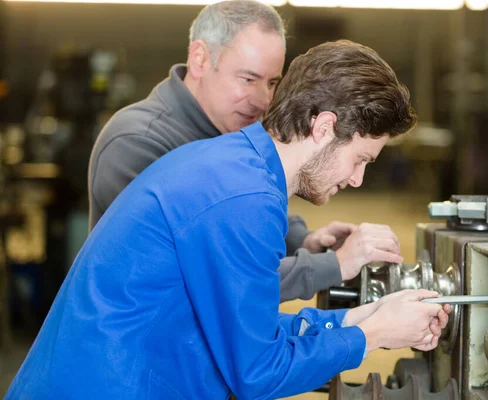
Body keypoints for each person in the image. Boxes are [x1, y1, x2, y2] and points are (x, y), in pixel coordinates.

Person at [7, 40, 452, 400]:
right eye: (361, 159)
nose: (357, 180)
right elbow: (257, 373)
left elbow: (245, 328)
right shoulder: (245, 198)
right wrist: (372, 336)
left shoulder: (236, 165)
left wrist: (360, 320)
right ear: (323, 127)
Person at [87, 0, 404, 302]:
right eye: (248, 79)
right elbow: (217, 279)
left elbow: (242, 213)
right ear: (200, 59)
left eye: (271, 83)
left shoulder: (232, 130)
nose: (262, 100)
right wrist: (333, 266)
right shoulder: (139, 142)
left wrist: (301, 241)